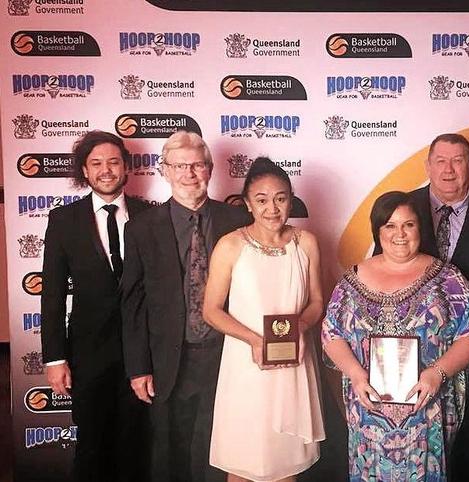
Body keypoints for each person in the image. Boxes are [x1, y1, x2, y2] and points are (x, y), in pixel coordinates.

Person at [324, 191, 469, 481]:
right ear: (378, 230)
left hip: (425, 413)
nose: (400, 234)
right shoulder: (352, 280)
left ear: (420, 228)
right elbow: (331, 334)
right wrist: (357, 375)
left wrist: (437, 373)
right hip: (367, 414)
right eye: (390, 226)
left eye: (408, 225)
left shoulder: (447, 279)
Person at [382, 133, 469, 482]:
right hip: (411, 362)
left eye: (458, 160)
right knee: (414, 449)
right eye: (440, 160)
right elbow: (381, 274)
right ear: (427, 165)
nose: (448, 169)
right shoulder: (400, 211)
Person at [121, 130, 249, 482]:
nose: (188, 173)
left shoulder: (237, 222)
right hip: (169, 359)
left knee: (217, 446)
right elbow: (133, 304)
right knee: (169, 449)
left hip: (226, 354)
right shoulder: (141, 228)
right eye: (179, 166)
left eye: (196, 165)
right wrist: (138, 368)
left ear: (210, 169)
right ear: (164, 171)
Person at [204, 157, 325, 481]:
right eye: (261, 200)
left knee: (286, 460)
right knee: (244, 460)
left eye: (281, 198)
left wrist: (300, 328)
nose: (272, 208)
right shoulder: (230, 246)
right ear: (247, 204)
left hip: (293, 363)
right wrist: (255, 341)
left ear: (290, 199)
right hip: (247, 367)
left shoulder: (307, 242)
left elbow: (316, 302)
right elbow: (211, 310)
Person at [40, 130, 150, 482]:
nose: (106, 170)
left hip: (142, 356)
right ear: (84, 171)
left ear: (126, 168)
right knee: (91, 445)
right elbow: (53, 295)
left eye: (114, 162)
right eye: (97, 163)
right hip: (88, 356)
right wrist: (55, 358)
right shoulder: (63, 221)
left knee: (136, 445)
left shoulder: (151, 217)